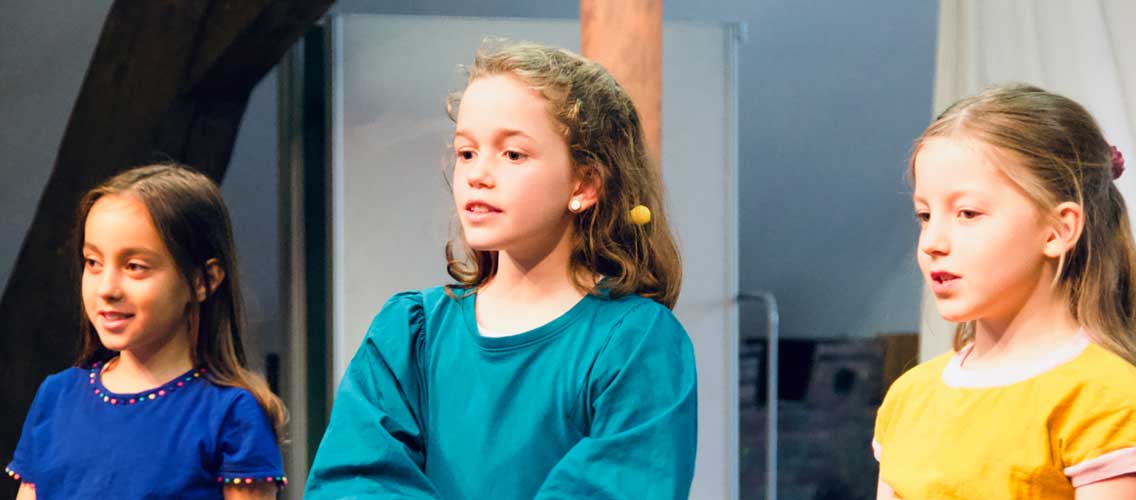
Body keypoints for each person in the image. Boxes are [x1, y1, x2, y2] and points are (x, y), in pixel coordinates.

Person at [305, 41, 698, 499]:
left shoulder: (635, 343)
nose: (478, 175)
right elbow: (353, 482)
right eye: (467, 152)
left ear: (584, 183)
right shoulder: (411, 334)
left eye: (512, 154)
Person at [874, 84, 1136, 499]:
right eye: (925, 215)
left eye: (968, 213)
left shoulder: (1101, 398)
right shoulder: (909, 397)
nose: (932, 242)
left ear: (1058, 229)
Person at [6, 164, 287, 500]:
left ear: (203, 280)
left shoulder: (231, 414)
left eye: (135, 267)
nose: (107, 289)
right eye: (93, 263)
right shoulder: (56, 397)